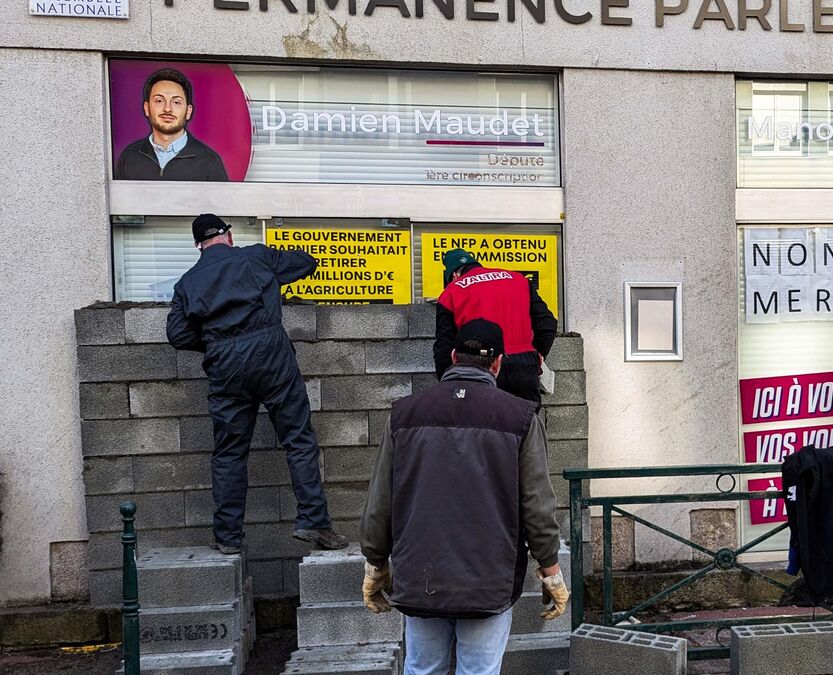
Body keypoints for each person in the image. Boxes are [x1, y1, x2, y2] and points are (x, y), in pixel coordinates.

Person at [360, 319, 569, 675]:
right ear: (498, 363)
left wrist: (376, 562)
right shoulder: (520, 417)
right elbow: (536, 506)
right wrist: (550, 570)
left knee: (423, 668)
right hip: (489, 578)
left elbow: (381, 498)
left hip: (421, 574)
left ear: (454, 356)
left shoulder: (404, 414)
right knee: (479, 671)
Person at [166, 214, 347, 554]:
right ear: (229, 236)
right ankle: (313, 521)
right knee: (298, 440)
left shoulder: (187, 283)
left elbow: (177, 335)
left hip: (224, 364)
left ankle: (228, 536)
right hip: (271, 354)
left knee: (230, 453)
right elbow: (307, 263)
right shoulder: (257, 256)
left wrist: (215, 339)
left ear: (197, 246)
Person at [433, 248, 557, 404]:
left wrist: (447, 383)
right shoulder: (518, 279)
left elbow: (444, 347)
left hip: (480, 369)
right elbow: (548, 324)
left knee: (484, 425)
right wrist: (537, 355)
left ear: (454, 275)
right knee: (526, 423)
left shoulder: (452, 292)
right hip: (524, 367)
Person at [114, 68, 229, 181]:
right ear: (146, 108)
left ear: (188, 111)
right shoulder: (129, 157)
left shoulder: (209, 161)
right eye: (159, 101)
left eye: (176, 102)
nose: (167, 109)